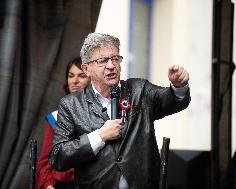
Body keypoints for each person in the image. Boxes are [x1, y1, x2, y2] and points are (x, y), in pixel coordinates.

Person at [48, 33, 191, 189]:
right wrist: (99, 136)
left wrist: (178, 87)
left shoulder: (139, 90)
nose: (111, 65)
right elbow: (58, 156)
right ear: (86, 69)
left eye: (115, 59)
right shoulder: (71, 105)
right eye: (102, 60)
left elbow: (169, 101)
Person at [36, 57, 90, 189]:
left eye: (81, 76)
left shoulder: (101, 115)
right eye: (71, 76)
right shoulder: (56, 117)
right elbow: (45, 163)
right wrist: (49, 186)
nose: (75, 81)